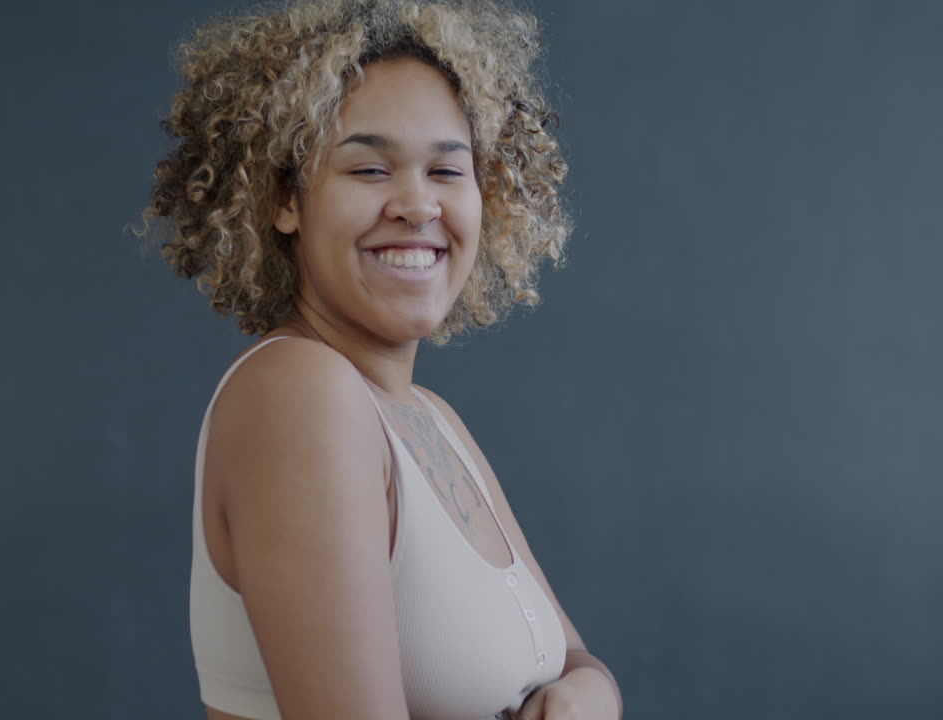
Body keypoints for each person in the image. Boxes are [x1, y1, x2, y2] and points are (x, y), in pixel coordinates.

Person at [136, 1, 621, 718]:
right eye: (369, 168)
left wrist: (588, 694)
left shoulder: (431, 419)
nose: (417, 205)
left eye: (447, 170)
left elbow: (575, 660)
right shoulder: (300, 393)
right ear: (284, 197)